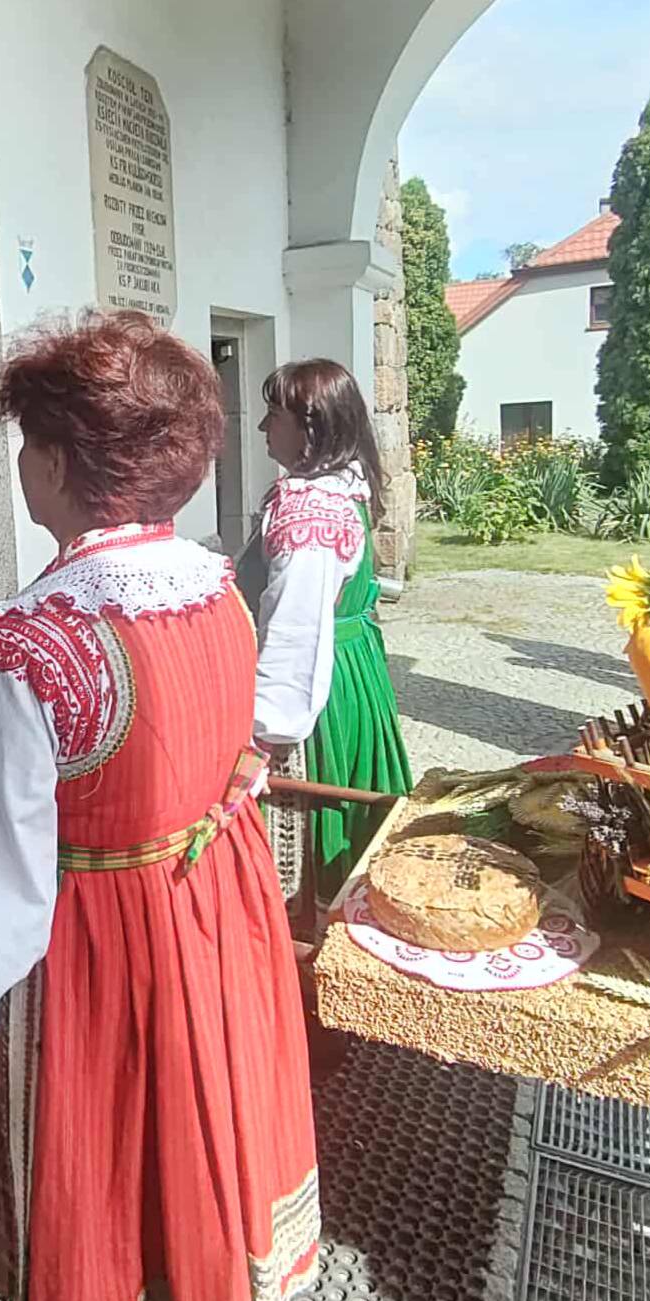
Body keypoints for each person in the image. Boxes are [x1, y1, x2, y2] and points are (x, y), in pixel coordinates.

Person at [0, 311, 320, 1301]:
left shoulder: (36, 648)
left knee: (106, 1151)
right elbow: (245, 739)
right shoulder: (216, 590)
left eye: (27, 443)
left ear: (54, 463)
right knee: (194, 1133)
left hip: (102, 951)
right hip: (212, 921)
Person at [244, 359, 413, 902]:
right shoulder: (342, 489)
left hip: (317, 687)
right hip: (352, 670)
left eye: (275, 415)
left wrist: (264, 733)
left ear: (311, 427)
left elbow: (295, 629)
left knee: (304, 829)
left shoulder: (311, 510)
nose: (263, 427)